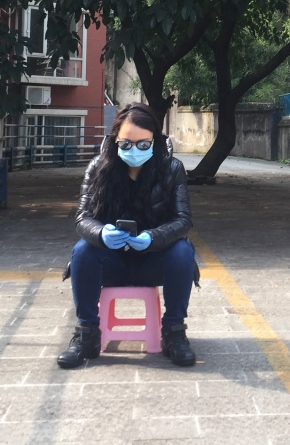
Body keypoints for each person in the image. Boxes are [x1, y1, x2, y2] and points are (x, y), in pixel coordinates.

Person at [57, 102, 197, 368]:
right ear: (115, 141)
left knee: (182, 251)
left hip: (153, 263)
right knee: (83, 250)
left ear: (155, 141)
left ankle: (174, 332)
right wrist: (101, 233)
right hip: (112, 263)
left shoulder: (171, 169)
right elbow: (82, 218)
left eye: (143, 144)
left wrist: (153, 238)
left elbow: (183, 220)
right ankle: (86, 334)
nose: (135, 151)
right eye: (126, 144)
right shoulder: (99, 167)